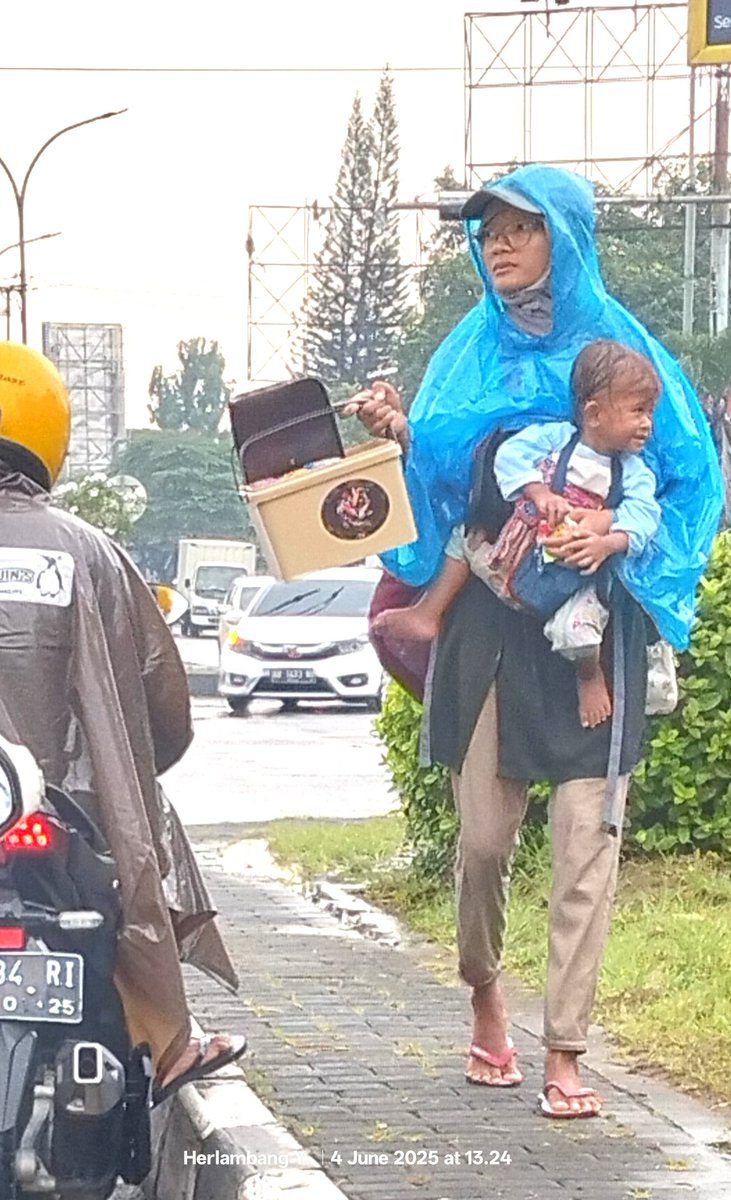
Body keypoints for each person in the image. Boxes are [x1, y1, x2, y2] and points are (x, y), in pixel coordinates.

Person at [347, 166, 722, 1119]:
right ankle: (483, 994)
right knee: (481, 845)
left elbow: (691, 481)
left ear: (567, 233)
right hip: (489, 629)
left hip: (597, 632)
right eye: (489, 230)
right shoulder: (463, 356)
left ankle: (565, 1051)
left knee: (584, 848)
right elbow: (427, 484)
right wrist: (400, 431)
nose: (502, 243)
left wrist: (618, 538)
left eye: (523, 226)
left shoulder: (623, 352)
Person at [0, 341, 244, 1104]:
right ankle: (167, 1042)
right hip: (64, 816)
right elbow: (161, 713)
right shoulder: (91, 550)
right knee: (132, 853)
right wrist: (125, 778)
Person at [373, 339, 662, 729]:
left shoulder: (633, 472)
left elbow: (645, 514)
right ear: (593, 413)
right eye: (638, 411)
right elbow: (507, 456)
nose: (648, 424)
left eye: (651, 412)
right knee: (465, 538)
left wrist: (606, 536)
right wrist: (538, 492)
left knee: (580, 632)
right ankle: (428, 612)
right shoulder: (555, 439)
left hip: (571, 586)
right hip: (512, 561)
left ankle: (589, 678)